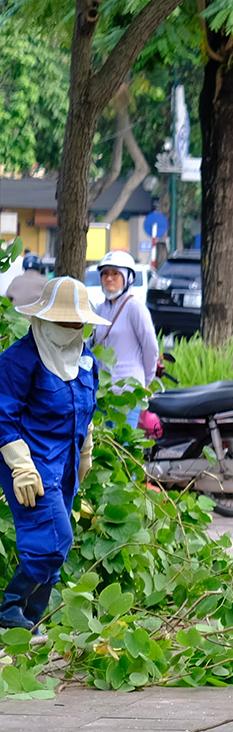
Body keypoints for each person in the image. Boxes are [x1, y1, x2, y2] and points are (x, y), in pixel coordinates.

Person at [0, 277, 108, 639]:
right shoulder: (19, 360)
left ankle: (31, 619)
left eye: (79, 323)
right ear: (44, 320)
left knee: (57, 547)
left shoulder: (85, 360)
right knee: (52, 539)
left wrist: (86, 451)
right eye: (65, 322)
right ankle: (8, 608)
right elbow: (3, 416)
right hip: (31, 462)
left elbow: (86, 410)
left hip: (65, 462)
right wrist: (20, 465)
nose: (73, 329)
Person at [91, 251, 160, 429]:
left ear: (128, 277)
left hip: (128, 394)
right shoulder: (100, 309)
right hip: (103, 394)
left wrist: (145, 382)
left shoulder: (135, 308)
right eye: (105, 274)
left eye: (115, 273)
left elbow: (151, 349)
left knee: (124, 447)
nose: (109, 278)